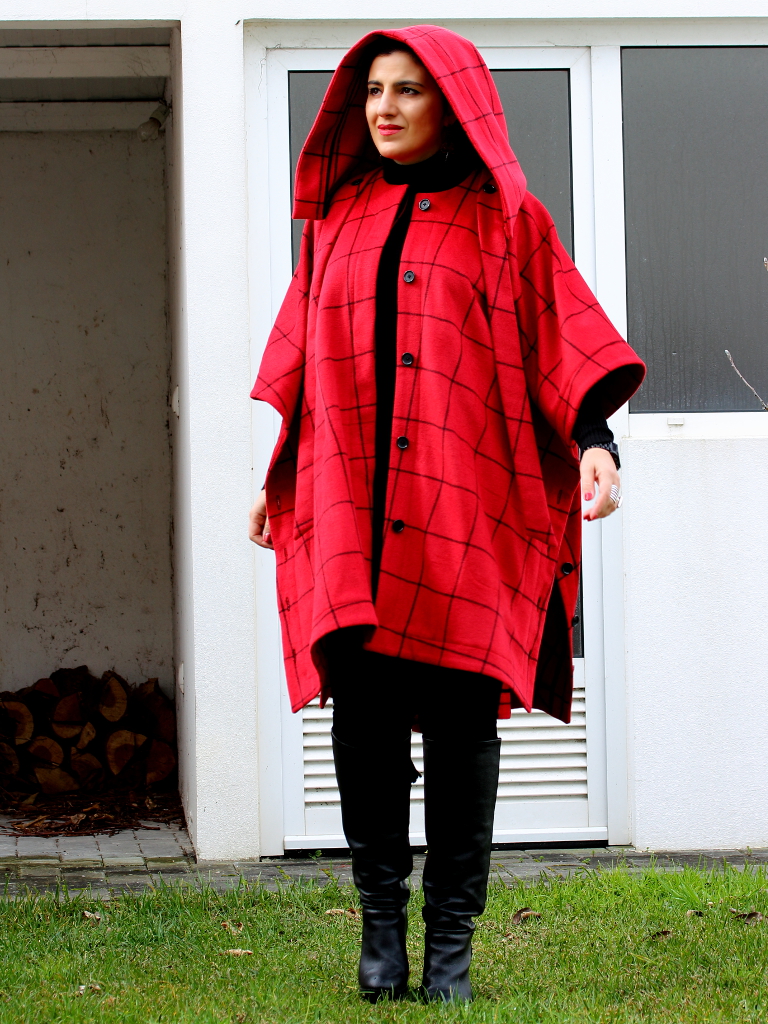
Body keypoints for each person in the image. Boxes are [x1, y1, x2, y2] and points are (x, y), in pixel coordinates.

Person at [249, 25, 645, 1003]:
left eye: (408, 90)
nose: (384, 108)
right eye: (372, 91)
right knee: (365, 721)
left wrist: (596, 441)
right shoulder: (336, 219)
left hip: (464, 503)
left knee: (464, 722)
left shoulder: (507, 219)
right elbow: (307, 361)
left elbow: (557, 335)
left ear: (454, 102)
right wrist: (279, 475)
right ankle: (380, 934)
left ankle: (451, 951)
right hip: (352, 502)